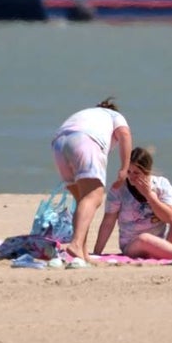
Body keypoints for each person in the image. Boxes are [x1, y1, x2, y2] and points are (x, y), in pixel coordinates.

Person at [50, 98, 132, 264]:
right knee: (94, 196)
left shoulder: (87, 115)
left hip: (59, 144)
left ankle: (82, 252)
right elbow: (124, 135)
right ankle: (76, 244)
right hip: (84, 140)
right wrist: (125, 168)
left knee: (83, 201)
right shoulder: (115, 115)